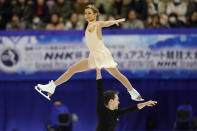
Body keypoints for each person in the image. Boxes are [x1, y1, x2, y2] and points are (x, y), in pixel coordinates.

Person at [35, 4, 144, 101]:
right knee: (118, 75)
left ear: (95, 14)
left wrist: (113, 22)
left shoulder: (94, 24)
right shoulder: (91, 25)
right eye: (85, 13)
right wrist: (113, 22)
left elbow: (102, 23)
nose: (86, 15)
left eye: (89, 13)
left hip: (99, 55)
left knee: (73, 69)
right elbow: (96, 38)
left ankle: (52, 86)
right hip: (98, 54)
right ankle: (133, 93)